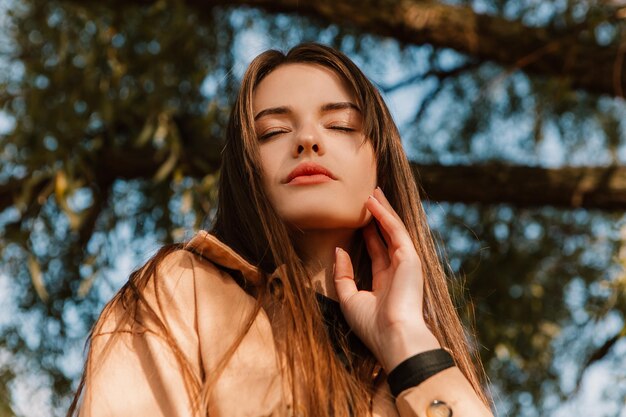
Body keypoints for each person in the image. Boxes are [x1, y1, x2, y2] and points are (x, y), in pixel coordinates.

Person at [68, 43, 494, 417]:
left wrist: (406, 338)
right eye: (272, 132)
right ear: (245, 172)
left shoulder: (406, 361)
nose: (307, 139)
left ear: (382, 165)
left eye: (341, 125)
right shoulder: (182, 288)